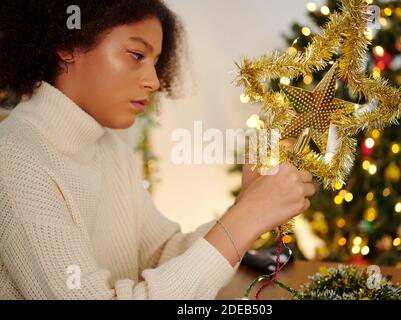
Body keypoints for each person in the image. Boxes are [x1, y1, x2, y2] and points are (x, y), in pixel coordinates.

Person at [0, 0, 316, 299]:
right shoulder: (15, 160)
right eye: (137, 55)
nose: (153, 81)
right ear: (67, 45)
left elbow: (164, 256)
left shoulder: (111, 151)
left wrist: (247, 207)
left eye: (155, 62)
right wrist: (246, 218)